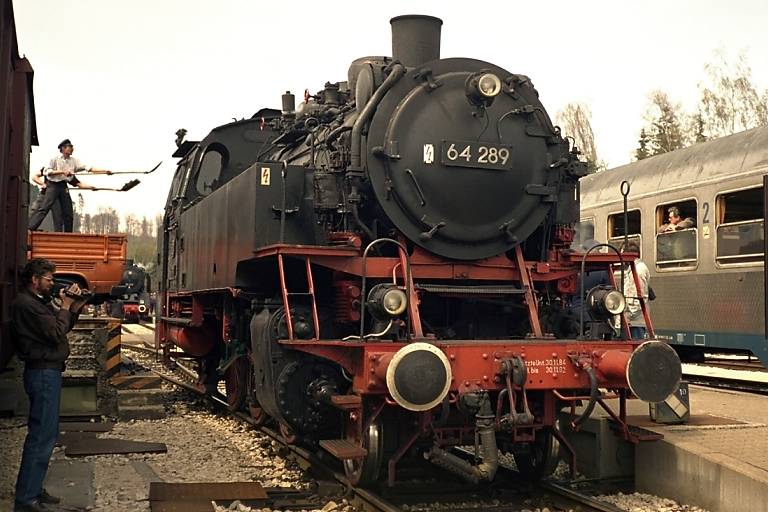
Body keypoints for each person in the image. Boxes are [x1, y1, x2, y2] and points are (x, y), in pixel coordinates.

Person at [11, 258, 88, 512]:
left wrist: (74, 308)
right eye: (49, 279)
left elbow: (60, 327)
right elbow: (56, 332)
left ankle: (33, 489)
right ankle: (26, 499)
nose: (52, 283)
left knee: (46, 435)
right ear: (35, 279)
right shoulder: (27, 305)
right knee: (41, 436)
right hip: (42, 373)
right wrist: (65, 305)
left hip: (48, 372)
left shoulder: (36, 304)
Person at [28, 139, 111, 232]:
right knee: (44, 208)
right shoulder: (54, 159)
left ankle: (68, 233)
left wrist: (104, 172)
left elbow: (88, 169)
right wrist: (63, 172)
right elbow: (48, 172)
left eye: (72, 147)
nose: (72, 149)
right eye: (70, 147)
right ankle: (31, 227)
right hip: (52, 185)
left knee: (68, 211)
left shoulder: (74, 161)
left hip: (63, 185)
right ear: (63, 148)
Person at [616, 240, 650, 339]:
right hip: (632, 321)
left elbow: (637, 297)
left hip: (634, 321)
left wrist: (627, 316)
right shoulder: (633, 268)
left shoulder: (638, 270)